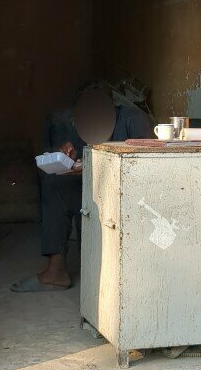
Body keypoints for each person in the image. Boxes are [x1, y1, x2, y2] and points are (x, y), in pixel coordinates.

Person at [11, 83, 154, 291]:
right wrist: (67, 155)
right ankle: (56, 271)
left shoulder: (134, 120)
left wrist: (93, 166)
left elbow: (146, 166)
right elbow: (78, 155)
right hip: (94, 187)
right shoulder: (82, 123)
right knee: (54, 185)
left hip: (126, 193)